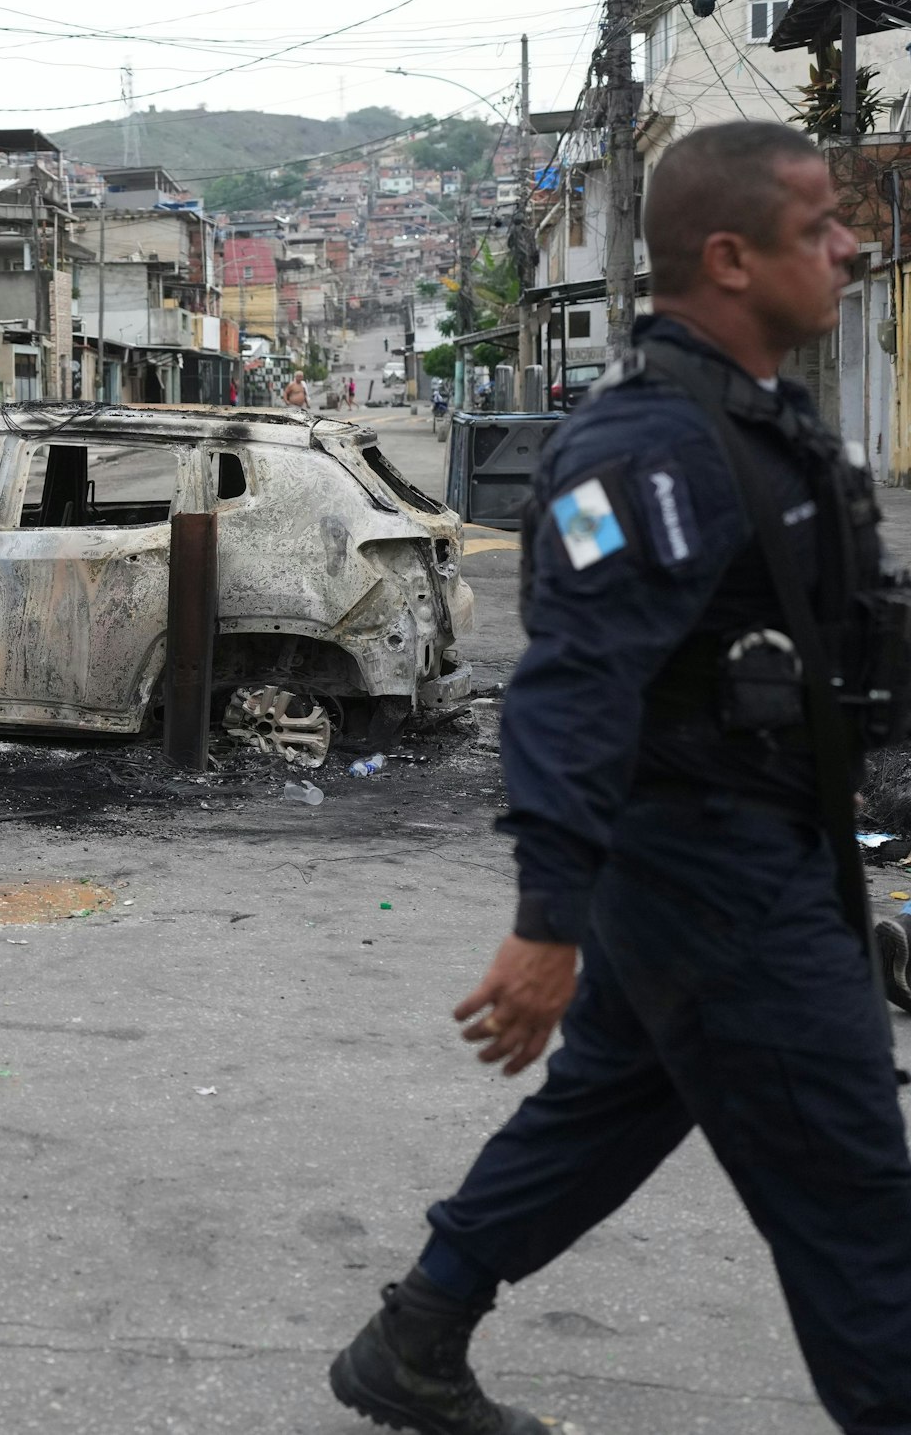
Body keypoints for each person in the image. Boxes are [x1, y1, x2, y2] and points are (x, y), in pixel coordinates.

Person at [329, 121, 911, 1433]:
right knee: (860, 1205)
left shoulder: (762, 423)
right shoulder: (650, 453)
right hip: (716, 881)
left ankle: (416, 1337)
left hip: (751, 862)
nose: (849, 246)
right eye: (819, 227)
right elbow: (572, 688)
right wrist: (548, 922)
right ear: (731, 259)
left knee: (608, 1110)